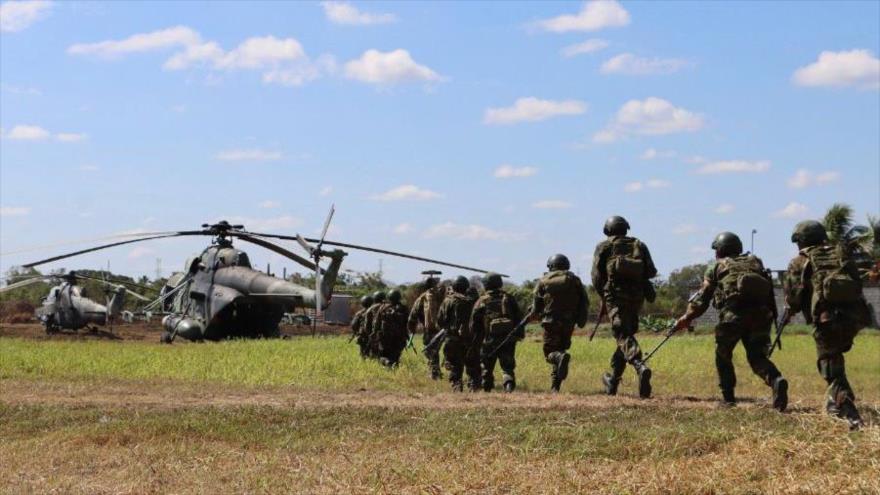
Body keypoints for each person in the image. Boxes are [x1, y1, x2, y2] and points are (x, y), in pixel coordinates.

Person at [673, 232, 789, 410]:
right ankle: (776, 380)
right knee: (757, 356)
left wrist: (686, 318)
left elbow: (702, 300)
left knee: (723, 355)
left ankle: (728, 399)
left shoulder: (716, 267)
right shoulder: (755, 262)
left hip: (732, 318)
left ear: (720, 250)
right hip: (760, 317)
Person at [783, 220, 871, 429]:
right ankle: (835, 404)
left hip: (827, 320)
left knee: (830, 366)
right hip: (855, 318)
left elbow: (794, 297)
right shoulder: (841, 254)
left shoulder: (799, 261)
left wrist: (791, 310)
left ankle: (850, 414)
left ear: (801, 241)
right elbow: (858, 283)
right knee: (835, 359)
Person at [591, 215, 657, 399]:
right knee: (625, 336)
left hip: (615, 297)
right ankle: (613, 381)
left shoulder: (604, 246)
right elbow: (651, 271)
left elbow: (596, 277)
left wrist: (604, 297)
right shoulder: (639, 245)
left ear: (607, 230)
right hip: (636, 297)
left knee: (622, 334)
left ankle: (639, 365)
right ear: (626, 228)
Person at [528, 254, 589, 392]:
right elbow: (584, 302)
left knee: (551, 354)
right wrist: (581, 320)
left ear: (551, 266)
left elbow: (536, 306)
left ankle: (559, 365)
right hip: (569, 322)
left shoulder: (543, 280)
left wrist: (533, 314)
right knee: (560, 351)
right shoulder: (574, 280)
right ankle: (555, 387)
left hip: (551, 322)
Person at [471, 272, 523, 392]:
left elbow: (474, 323)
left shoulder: (481, 301)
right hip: (508, 338)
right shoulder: (509, 298)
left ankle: (487, 388)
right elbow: (518, 318)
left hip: (489, 339)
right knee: (507, 367)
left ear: (486, 285)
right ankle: (509, 385)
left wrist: (476, 338)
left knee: (487, 366)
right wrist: (518, 335)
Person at [437, 276, 480, 392]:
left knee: (455, 365)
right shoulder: (472, 301)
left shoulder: (447, 300)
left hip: (452, 339)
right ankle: (473, 387)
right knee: (472, 365)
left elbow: (440, 321)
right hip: (469, 339)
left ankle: (457, 386)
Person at [408, 275, 445, 379]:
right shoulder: (443, 295)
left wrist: (411, 328)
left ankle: (434, 373)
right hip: (445, 329)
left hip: (431, 330)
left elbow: (413, 315)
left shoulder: (423, 298)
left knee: (431, 351)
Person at [374, 289, 410, 368]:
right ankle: (393, 366)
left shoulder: (383, 308)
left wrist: (374, 333)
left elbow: (377, 322)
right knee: (396, 354)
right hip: (400, 336)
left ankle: (388, 363)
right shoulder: (404, 308)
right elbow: (408, 322)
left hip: (385, 336)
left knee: (383, 355)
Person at [361, 290, 386, 359]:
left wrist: (370, 334)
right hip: (387, 333)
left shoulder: (371, 308)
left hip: (375, 333)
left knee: (374, 353)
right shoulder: (387, 307)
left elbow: (367, 324)